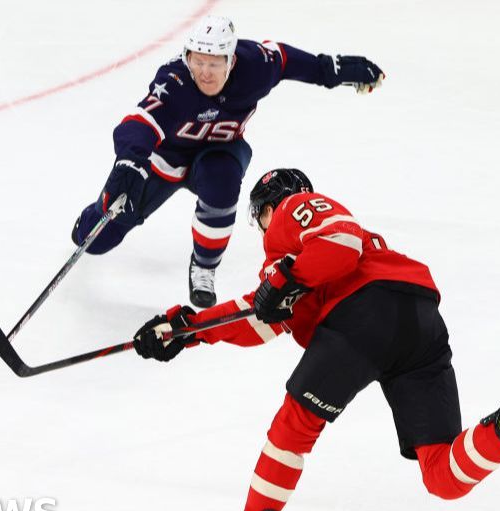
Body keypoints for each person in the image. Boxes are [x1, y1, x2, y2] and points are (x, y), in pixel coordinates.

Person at [131, 168, 500, 511]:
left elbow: (341, 245)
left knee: (295, 423)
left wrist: (286, 277)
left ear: (268, 206)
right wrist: (186, 330)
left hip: (365, 312)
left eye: (260, 216)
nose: (264, 227)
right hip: (419, 322)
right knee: (442, 476)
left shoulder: (292, 214)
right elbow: (261, 318)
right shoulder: (293, 267)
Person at [71, 15, 386, 308]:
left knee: (222, 181)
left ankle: (204, 268)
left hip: (220, 152)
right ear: (187, 58)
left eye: (214, 63)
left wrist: (334, 70)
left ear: (231, 60)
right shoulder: (175, 82)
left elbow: (288, 60)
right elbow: (139, 123)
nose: (204, 72)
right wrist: (129, 164)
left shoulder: (256, 66)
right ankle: (93, 216)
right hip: (166, 161)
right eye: (198, 61)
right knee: (96, 241)